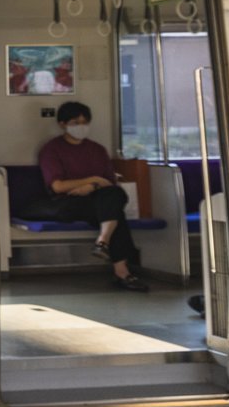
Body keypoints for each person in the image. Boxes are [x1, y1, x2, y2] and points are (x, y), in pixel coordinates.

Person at [32, 100, 147, 291]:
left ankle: (104, 243)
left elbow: (109, 183)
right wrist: (94, 180)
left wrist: (91, 187)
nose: (81, 127)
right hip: (66, 203)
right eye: (76, 123)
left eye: (85, 122)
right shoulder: (52, 150)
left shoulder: (97, 150)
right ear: (63, 124)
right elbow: (58, 186)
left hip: (96, 200)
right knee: (114, 212)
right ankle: (120, 269)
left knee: (114, 199)